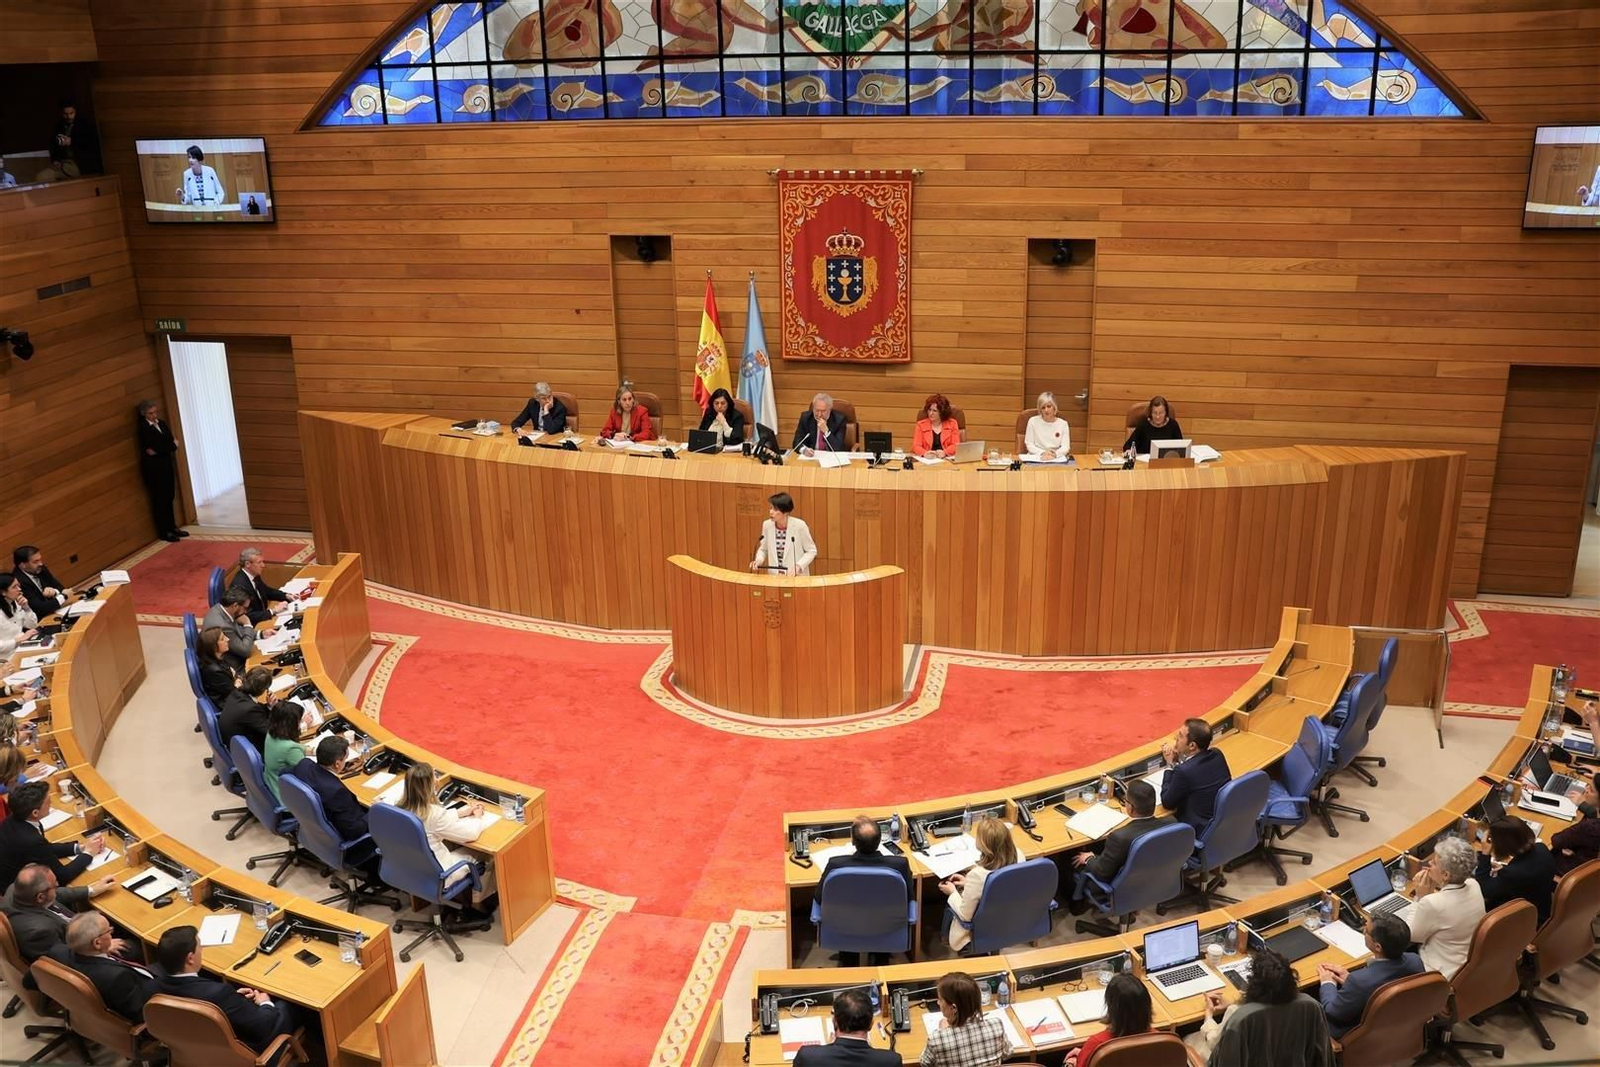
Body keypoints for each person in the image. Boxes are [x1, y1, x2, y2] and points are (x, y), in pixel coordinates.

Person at [154, 925, 295, 1054]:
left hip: (192, 1051)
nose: (202, 950)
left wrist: (235, 999)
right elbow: (261, 1027)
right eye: (200, 946)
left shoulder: (153, 987)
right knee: (286, 1005)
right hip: (241, 1053)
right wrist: (265, 1003)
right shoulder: (219, 993)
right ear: (190, 958)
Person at [1186, 946, 1334, 1066]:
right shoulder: (1310, 1005)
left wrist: (1208, 1017)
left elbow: (1218, 1045)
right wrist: (1234, 1004)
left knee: (1187, 1040)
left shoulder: (1238, 1015)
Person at [811, 815, 913, 966]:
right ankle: (880, 959)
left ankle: (849, 961)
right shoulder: (899, 865)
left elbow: (818, 897)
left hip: (844, 926)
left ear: (853, 842)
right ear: (880, 841)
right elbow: (909, 897)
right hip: (886, 926)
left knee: (849, 921)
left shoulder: (836, 864)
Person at [395, 762, 495, 914]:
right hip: (440, 874)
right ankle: (479, 905)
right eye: (434, 777)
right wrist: (478, 817)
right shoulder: (434, 815)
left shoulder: (399, 808)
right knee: (486, 855)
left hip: (411, 869)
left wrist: (464, 812)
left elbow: (440, 819)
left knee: (453, 844)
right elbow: (470, 834)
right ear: (428, 786)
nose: (437, 780)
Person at [1068, 779, 1175, 913]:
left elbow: (1102, 873)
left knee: (1072, 859)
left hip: (1119, 886)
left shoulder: (1120, 837)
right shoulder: (1171, 823)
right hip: (1153, 879)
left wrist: (1089, 858)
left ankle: (1076, 908)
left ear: (1131, 808)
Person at [283, 735, 381, 879]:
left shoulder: (304, 765)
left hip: (314, 833)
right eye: (345, 758)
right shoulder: (336, 792)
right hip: (347, 842)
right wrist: (375, 811)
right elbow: (354, 831)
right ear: (337, 764)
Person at [1316, 913, 1423, 1038]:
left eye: (1366, 931)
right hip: (1397, 1026)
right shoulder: (1415, 960)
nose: (1363, 931)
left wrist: (1327, 983)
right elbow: (1383, 987)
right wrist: (1351, 982)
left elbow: (1332, 1012)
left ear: (1378, 947)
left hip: (1358, 1035)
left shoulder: (1360, 981)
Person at [1, 864, 117, 966]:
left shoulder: (18, 890)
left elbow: (57, 894)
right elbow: (64, 959)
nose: (57, 884)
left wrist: (91, 890)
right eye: (55, 886)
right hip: (86, 948)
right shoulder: (38, 931)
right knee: (132, 946)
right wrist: (103, 948)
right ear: (40, 897)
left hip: (88, 931)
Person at [1406, 835, 1485, 980]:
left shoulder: (1432, 903)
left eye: (1434, 863)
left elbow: (1412, 935)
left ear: (1446, 874)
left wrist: (1420, 897)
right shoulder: (1474, 885)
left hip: (1441, 973)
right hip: (1467, 966)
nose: (1429, 863)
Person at [0, 781, 105, 890]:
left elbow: (45, 848)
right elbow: (61, 877)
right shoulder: (30, 840)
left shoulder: (14, 819)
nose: (51, 802)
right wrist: (89, 853)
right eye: (47, 801)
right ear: (35, 812)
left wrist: (80, 848)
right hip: (17, 892)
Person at [939, 816, 1017, 952]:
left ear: (984, 844)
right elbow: (994, 887)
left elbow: (964, 915)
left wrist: (952, 892)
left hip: (979, 927)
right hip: (1006, 921)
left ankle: (946, 940)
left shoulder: (977, 875)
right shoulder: (1018, 858)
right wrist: (967, 883)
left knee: (950, 904)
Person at [66, 912, 158, 1021]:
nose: (111, 935)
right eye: (109, 931)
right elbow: (140, 1014)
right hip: (150, 998)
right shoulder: (117, 977)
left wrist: (104, 948)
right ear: (97, 943)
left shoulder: (64, 954)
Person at [1474, 816, 1557, 925]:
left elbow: (1485, 890)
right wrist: (1505, 869)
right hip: (1542, 907)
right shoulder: (1541, 848)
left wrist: (1485, 854)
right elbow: (1528, 872)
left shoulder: (1512, 874)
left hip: (1525, 921)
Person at [792, 986, 900, 1066]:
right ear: (871, 1024)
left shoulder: (807, 1057)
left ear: (835, 1021)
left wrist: (829, 1047)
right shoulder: (891, 1061)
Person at [919, 971, 1007, 1067]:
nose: (938, 1002)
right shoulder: (996, 1025)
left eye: (940, 999)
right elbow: (1007, 1053)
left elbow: (925, 1063)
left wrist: (943, 1031)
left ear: (954, 1008)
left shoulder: (936, 1039)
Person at [1159, 717, 1232, 832]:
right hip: (1222, 823)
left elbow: (1167, 802)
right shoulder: (1217, 754)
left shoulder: (1183, 771)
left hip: (1198, 828)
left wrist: (1170, 765)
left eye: (1180, 736)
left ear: (1192, 746)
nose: (1176, 738)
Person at [1065, 973, 1152, 1066]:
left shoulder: (1097, 1045)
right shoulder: (1160, 1040)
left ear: (1111, 1007)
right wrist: (1088, 1055)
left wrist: (1073, 1062)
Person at [135, 399, 183, 542]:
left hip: (166, 466)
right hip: (154, 470)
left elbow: (171, 444)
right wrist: (168, 445)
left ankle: (172, 527)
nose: (154, 416)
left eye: (155, 412)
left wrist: (166, 446)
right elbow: (154, 447)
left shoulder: (161, 423)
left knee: (169, 497)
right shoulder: (143, 428)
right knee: (159, 501)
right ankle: (164, 531)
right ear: (144, 414)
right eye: (150, 413)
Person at [750, 492, 817, 577]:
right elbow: (763, 549)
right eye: (771, 508)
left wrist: (799, 566)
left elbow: (811, 551)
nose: (771, 512)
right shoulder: (767, 525)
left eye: (775, 509)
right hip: (775, 577)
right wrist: (759, 560)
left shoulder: (800, 526)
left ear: (786, 512)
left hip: (796, 577)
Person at [203, 587, 272, 666]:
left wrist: (261, 634)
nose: (245, 612)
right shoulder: (223, 626)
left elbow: (237, 630)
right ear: (235, 605)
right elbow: (245, 650)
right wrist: (247, 624)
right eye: (245, 608)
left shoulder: (221, 609)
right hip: (236, 667)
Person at [218, 667, 278, 752]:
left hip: (235, 742)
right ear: (263, 690)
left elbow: (257, 713)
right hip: (248, 751)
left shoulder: (237, 693)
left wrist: (269, 706)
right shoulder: (250, 709)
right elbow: (271, 732)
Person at [1551, 771, 1600, 876]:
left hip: (1573, 871)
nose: (1585, 790)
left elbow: (1556, 841)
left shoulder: (1590, 827)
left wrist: (1574, 851)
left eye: (1591, 790)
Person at [261, 701, 306, 802]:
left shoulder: (270, 734)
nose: (300, 724)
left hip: (271, 783)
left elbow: (290, 747)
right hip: (286, 798)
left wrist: (309, 750)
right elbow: (308, 774)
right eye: (299, 721)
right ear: (291, 724)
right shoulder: (291, 750)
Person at [230, 547, 287, 624]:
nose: (263, 565)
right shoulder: (239, 586)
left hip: (262, 616)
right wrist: (272, 611)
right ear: (247, 564)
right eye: (259, 562)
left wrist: (286, 596)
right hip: (254, 625)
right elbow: (246, 615)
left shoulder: (254, 575)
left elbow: (266, 591)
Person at [12, 545, 70, 619]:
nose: (40, 564)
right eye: (35, 561)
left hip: (56, 610)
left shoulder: (40, 569)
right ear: (23, 565)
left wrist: (55, 592)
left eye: (40, 560)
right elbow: (40, 608)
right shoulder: (18, 582)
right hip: (38, 619)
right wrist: (64, 596)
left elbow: (60, 587)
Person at [196, 626, 242, 705]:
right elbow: (234, 694)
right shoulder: (214, 671)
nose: (228, 639)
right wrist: (237, 683)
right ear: (213, 647)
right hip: (231, 706)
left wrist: (236, 680)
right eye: (222, 639)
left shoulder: (218, 657)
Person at [54, 99, 100, 175]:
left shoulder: (84, 124)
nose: (68, 116)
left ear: (76, 112)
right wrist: (55, 159)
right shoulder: (59, 126)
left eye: (71, 113)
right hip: (64, 161)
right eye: (65, 114)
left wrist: (72, 141)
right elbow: (53, 145)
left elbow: (91, 143)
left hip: (81, 163)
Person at [0, 575, 40, 657]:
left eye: (18, 585)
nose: (19, 589)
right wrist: (20, 639)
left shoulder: (15, 603)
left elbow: (33, 625)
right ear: (3, 592)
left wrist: (26, 608)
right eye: (14, 587)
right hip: (8, 657)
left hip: (24, 646)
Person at [913, 394, 963, 459]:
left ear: (942, 412)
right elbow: (916, 446)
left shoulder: (952, 423)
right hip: (927, 460)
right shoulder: (921, 424)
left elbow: (956, 445)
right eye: (929, 410)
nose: (931, 413)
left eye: (934, 411)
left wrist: (945, 452)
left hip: (946, 459)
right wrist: (924, 453)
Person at [1024, 391, 1071, 459]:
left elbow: (1066, 447)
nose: (1046, 410)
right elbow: (1029, 444)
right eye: (1043, 407)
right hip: (1036, 456)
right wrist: (1043, 453)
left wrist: (1054, 454)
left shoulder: (1063, 424)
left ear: (1054, 407)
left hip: (1055, 457)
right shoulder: (1032, 421)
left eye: (1049, 406)